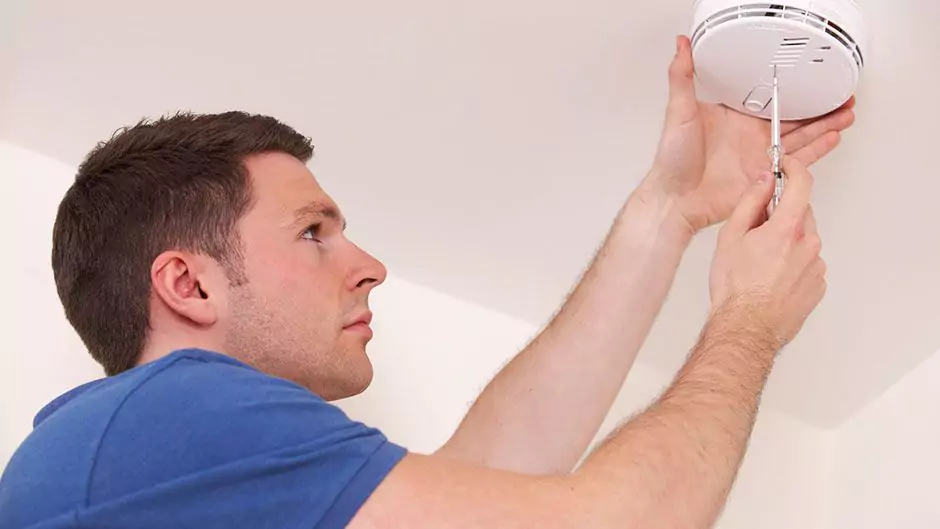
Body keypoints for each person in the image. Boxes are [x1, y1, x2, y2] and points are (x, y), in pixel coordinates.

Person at [0, 36, 853, 529]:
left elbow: (490, 476)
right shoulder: (172, 412)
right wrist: (749, 321)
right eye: (312, 231)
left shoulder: (167, 470)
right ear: (187, 283)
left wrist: (667, 211)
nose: (369, 264)